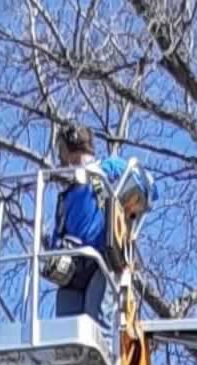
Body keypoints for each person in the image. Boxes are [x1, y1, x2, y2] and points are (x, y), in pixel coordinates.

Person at [43, 124, 155, 341]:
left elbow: (148, 185)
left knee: (96, 327)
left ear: (68, 150)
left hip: (102, 260)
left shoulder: (103, 170)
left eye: (63, 151)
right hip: (73, 268)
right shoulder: (66, 196)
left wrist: (134, 196)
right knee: (67, 334)